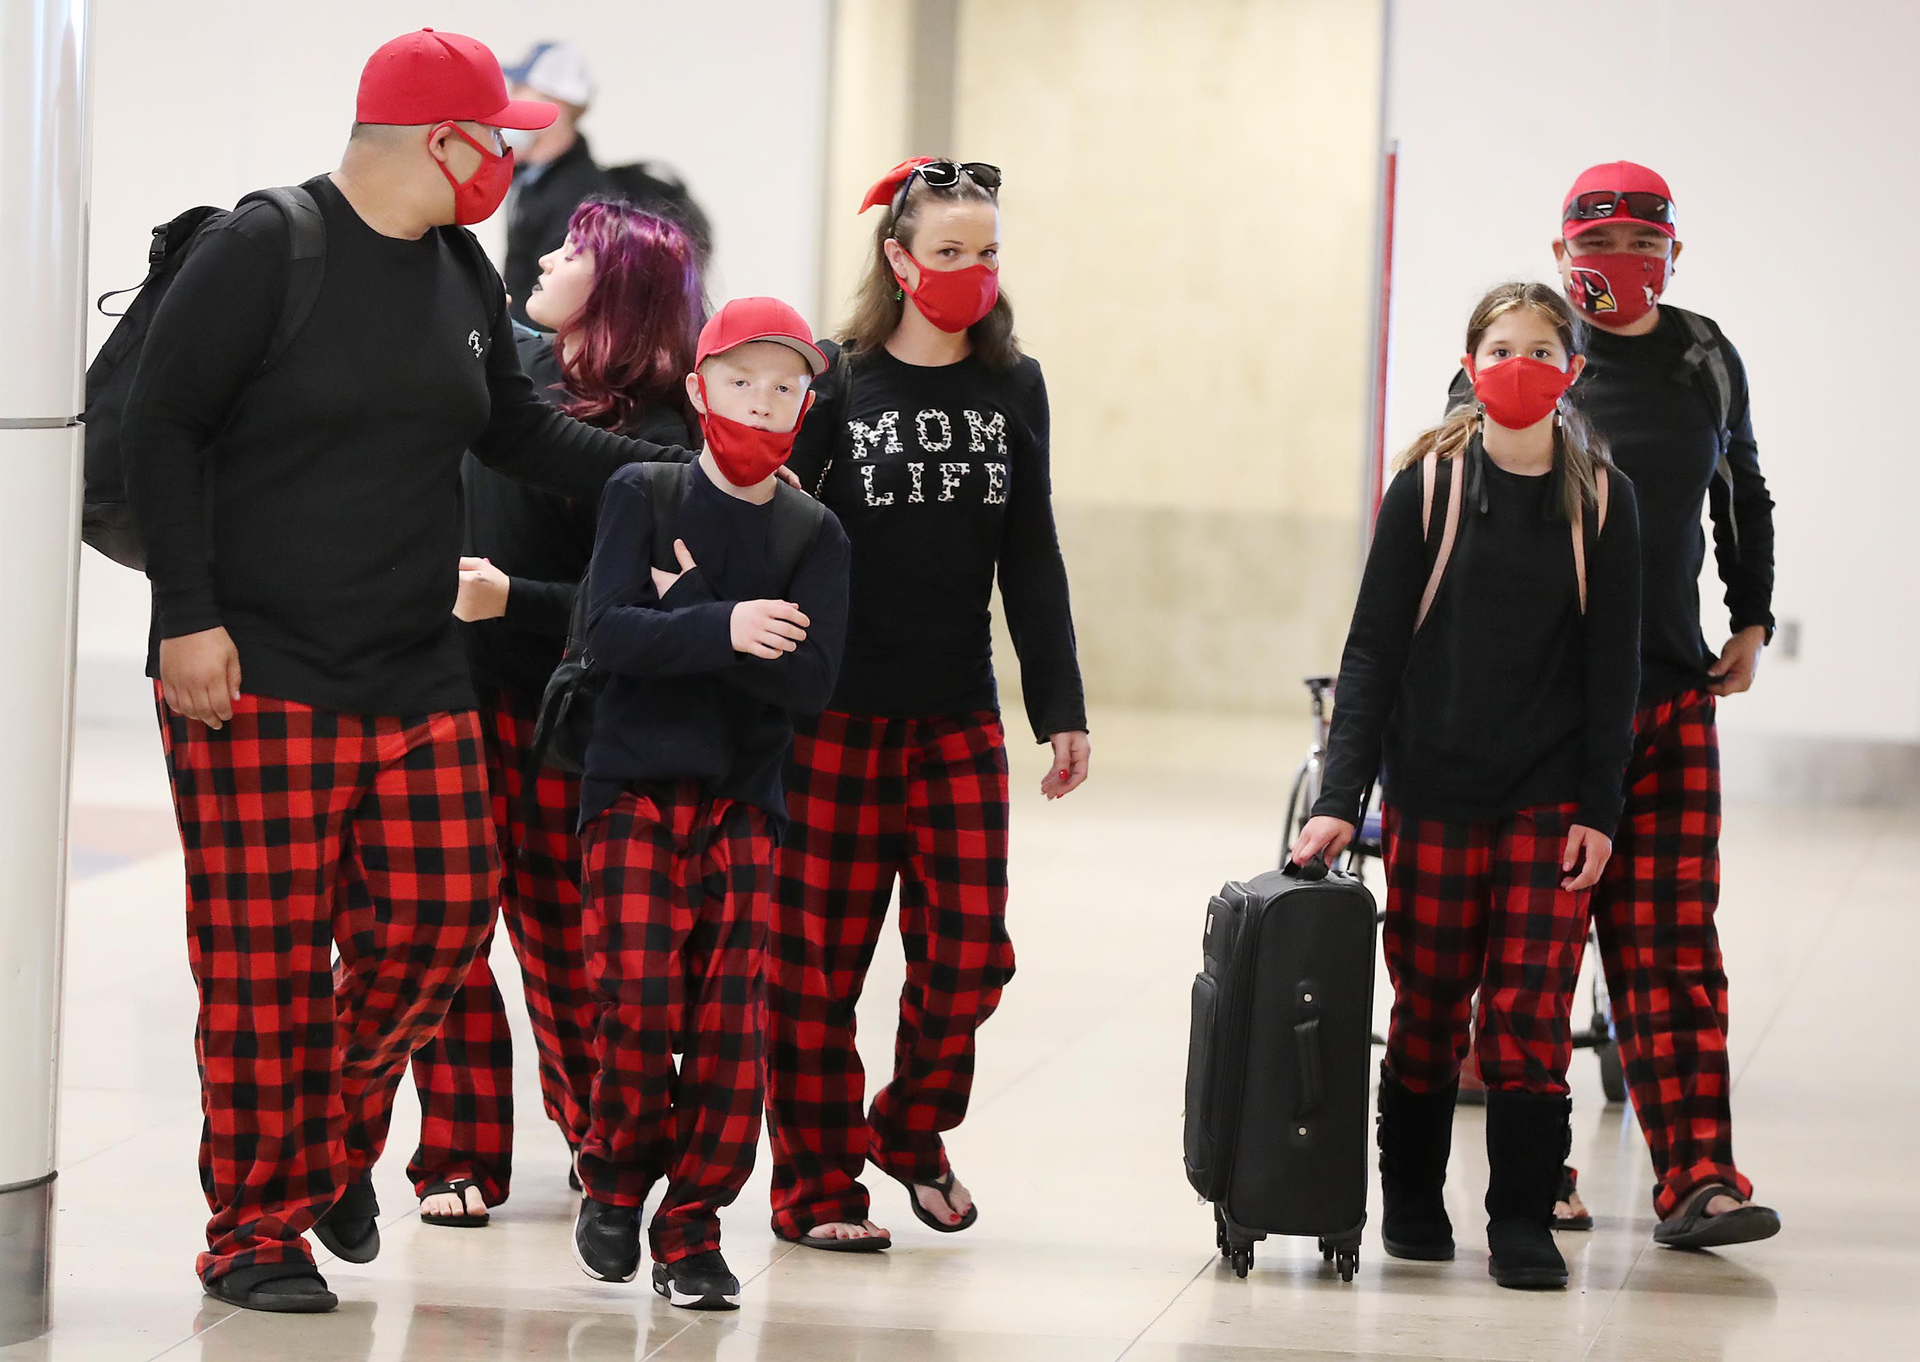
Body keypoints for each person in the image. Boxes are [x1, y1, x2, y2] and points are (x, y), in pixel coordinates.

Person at [123, 29, 691, 1314]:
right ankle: (253, 1232)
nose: (510, 158)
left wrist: (675, 478)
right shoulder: (265, 249)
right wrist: (184, 619)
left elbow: (515, 427)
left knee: (440, 921)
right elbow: (164, 429)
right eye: (497, 135)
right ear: (436, 139)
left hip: (413, 667)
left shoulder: (457, 264)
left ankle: (313, 1140)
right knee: (261, 964)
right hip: (253, 668)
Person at [764, 157, 1090, 1253]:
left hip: (956, 716)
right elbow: (778, 530)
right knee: (816, 967)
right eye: (950, 252)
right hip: (834, 717)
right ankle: (815, 1187)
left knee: (968, 957)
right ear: (899, 261)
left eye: (988, 252)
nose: (973, 271)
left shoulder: (1015, 384)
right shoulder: (839, 379)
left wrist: (1061, 708)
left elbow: (1030, 552)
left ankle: (909, 1127)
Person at [1294, 282, 1643, 1290]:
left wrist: (1600, 808)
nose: (1519, 366)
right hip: (1436, 785)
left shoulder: (1603, 501)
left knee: (1529, 1012)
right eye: (1500, 348)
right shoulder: (1428, 489)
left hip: (1548, 797)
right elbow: (1371, 654)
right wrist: (1337, 796)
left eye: (1541, 350)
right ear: (1470, 362)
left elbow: (1614, 671)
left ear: (1573, 371)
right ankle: (1411, 1197)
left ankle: (1522, 1219)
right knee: (1431, 1002)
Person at [398, 201, 706, 1229]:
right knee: (444, 932)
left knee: (568, 946)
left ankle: (602, 1141)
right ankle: (458, 1155)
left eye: (572, 250)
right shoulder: (509, 386)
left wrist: (515, 602)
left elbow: (666, 609)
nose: (543, 256)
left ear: (618, 286)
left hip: (570, 719)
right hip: (455, 695)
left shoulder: (662, 436)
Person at [568, 298, 851, 1311]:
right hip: (631, 789)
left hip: (746, 802)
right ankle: (611, 1178)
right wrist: (728, 627)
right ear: (698, 388)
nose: (761, 403)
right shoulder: (640, 492)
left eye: (784, 388)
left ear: (804, 407)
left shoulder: (813, 531)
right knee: (638, 1002)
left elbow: (813, 680)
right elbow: (606, 635)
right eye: (741, 381)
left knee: (732, 1032)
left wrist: (681, 616)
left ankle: (691, 1228)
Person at [1545, 161, 1781, 1248]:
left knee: (1675, 943)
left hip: (1670, 693)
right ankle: (1534, 1171)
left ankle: (1697, 1178)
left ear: (1673, 257)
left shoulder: (1701, 356)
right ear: (1562, 256)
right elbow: (1443, 506)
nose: (1625, 269)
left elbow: (1743, 486)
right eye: (1603, 251)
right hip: (1542, 709)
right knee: (1536, 951)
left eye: (1647, 248)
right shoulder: (1526, 353)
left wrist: (1751, 615)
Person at [499, 40, 711, 324]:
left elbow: (561, 305)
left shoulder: (581, 196)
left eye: (520, 91)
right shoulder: (531, 180)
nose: (509, 103)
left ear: (555, 106)